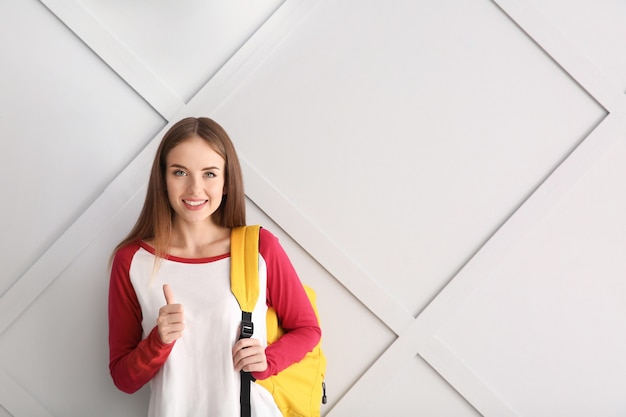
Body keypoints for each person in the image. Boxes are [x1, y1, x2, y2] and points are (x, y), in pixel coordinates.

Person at [108, 117, 321, 417]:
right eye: (180, 172)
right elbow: (123, 379)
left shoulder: (258, 248)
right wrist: (158, 341)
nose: (195, 188)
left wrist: (267, 361)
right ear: (163, 180)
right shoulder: (132, 261)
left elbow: (307, 329)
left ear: (225, 183)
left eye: (209, 173)